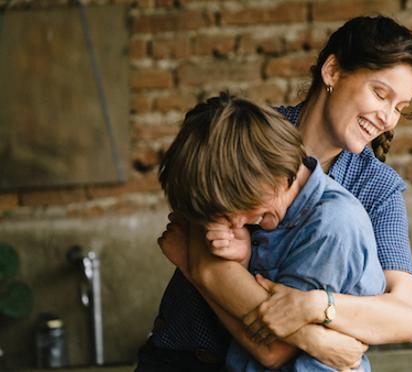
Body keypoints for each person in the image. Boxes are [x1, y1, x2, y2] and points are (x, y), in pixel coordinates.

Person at [144, 14, 412, 371]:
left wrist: (316, 306)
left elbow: (406, 318)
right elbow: (207, 262)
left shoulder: (376, 188)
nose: (388, 119)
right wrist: (317, 338)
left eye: (400, 108)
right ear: (332, 71)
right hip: (185, 359)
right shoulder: (248, 134)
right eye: (380, 94)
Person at [138, 92, 386, 371]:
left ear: (274, 176)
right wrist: (239, 260)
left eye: (237, 209)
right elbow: (253, 316)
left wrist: (193, 266)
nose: (235, 223)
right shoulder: (266, 207)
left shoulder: (331, 226)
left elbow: (272, 349)